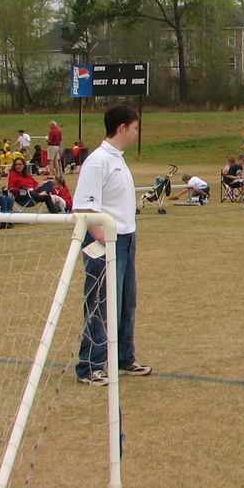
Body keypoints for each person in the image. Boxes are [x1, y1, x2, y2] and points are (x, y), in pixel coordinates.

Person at [74, 103, 151, 384]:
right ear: (122, 128)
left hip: (127, 239)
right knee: (100, 302)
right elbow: (84, 208)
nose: (135, 134)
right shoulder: (98, 160)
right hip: (105, 241)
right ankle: (90, 366)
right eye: (134, 128)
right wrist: (103, 242)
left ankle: (123, 358)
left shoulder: (118, 158)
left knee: (125, 302)